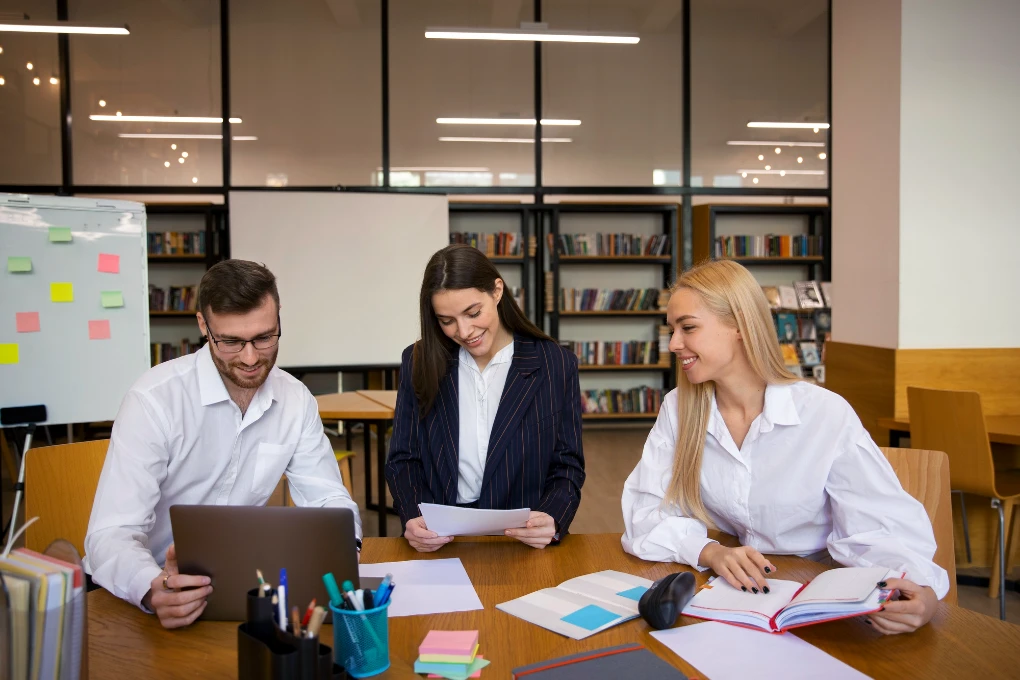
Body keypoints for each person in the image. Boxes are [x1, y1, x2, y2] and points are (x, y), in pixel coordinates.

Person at [621, 259, 948, 635]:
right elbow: (646, 513)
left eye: (688, 328)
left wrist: (921, 591)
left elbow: (879, 529)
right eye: (672, 330)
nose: (674, 344)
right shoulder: (681, 408)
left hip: (822, 596)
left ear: (740, 326)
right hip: (739, 596)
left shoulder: (824, 414)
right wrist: (710, 551)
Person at [84, 260, 361, 628]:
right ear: (203, 325)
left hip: (243, 588)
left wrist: (345, 546)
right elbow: (110, 534)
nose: (250, 358)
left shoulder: (295, 399)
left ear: (279, 320)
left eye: (265, 337)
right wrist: (152, 587)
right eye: (231, 341)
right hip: (147, 595)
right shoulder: (154, 400)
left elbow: (329, 501)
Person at [385, 244, 585, 552]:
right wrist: (413, 515)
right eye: (446, 320)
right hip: (440, 540)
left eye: (473, 312)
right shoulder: (419, 359)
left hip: (521, 541)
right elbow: (403, 458)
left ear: (497, 290)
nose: (464, 331)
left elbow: (567, 466)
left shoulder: (555, 364)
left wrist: (553, 518)